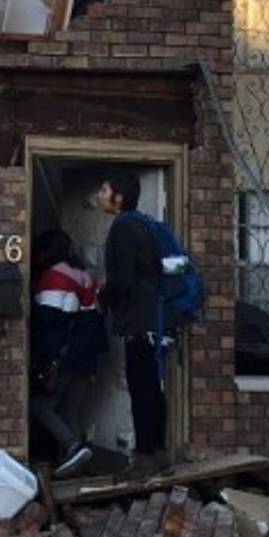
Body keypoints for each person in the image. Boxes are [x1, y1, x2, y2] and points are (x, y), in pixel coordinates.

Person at [96, 170, 169, 474]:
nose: (99, 195)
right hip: (157, 318)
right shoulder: (145, 225)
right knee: (153, 386)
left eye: (103, 188)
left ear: (119, 197)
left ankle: (144, 457)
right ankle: (159, 452)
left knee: (141, 388)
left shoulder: (123, 227)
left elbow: (122, 280)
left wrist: (103, 298)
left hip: (139, 320)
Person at [29, 230, 106, 478]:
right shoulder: (85, 276)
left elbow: (49, 318)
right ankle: (80, 466)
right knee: (70, 411)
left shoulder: (55, 276)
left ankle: (73, 448)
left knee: (40, 408)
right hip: (87, 358)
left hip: (64, 357)